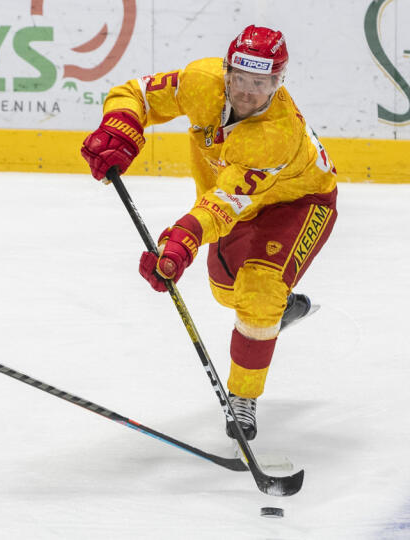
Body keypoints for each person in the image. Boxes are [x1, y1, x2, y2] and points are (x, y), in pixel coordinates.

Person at [80, 25, 337, 441]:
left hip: (300, 202)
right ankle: (277, 312)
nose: (247, 93)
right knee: (225, 292)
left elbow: (222, 206)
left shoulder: (276, 135)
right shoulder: (203, 82)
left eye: (260, 83)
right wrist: (121, 124)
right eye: (240, 79)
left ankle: (243, 399)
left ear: (278, 83)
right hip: (235, 201)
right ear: (227, 71)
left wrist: (181, 240)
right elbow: (138, 93)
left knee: (258, 291)